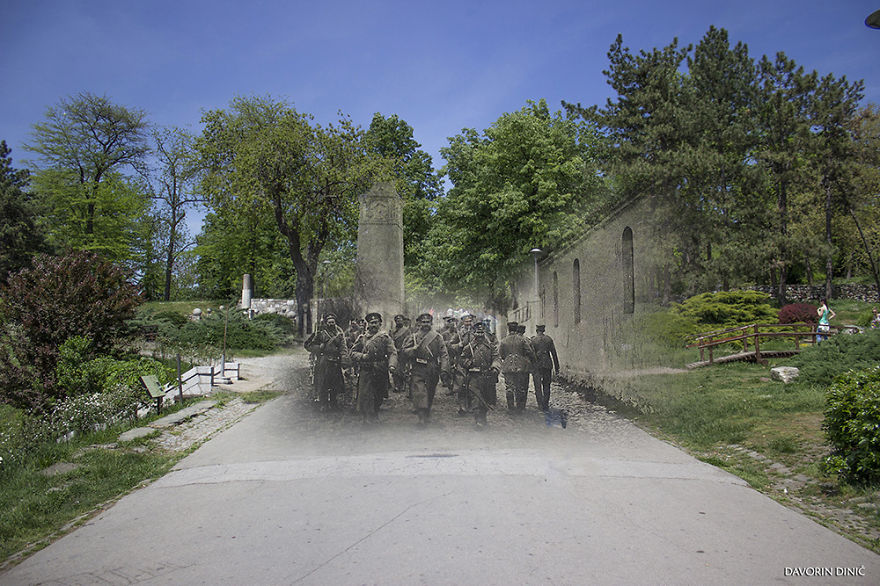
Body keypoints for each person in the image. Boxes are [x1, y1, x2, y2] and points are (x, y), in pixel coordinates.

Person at [401, 313, 450, 425]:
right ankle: (421, 416)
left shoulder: (438, 337)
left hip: (432, 368)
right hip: (418, 368)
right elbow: (404, 351)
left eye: (427, 322)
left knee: (430, 392)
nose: (425, 324)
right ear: (419, 323)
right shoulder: (413, 337)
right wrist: (412, 350)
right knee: (419, 391)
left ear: (431, 323)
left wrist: (444, 369)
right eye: (423, 322)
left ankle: (426, 411)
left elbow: (444, 354)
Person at [349, 312, 398, 422]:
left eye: (376, 323)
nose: (374, 325)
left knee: (378, 394)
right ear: (368, 325)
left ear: (380, 324)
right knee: (366, 395)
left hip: (380, 370)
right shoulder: (362, 338)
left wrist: (392, 365)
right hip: (366, 370)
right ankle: (367, 418)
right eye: (371, 323)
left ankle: (375, 412)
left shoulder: (385, 338)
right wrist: (363, 356)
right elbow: (352, 352)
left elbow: (392, 352)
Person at [459, 321, 501, 427]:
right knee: (476, 398)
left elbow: (496, 358)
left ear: (485, 333)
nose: (480, 335)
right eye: (477, 333)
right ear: (474, 333)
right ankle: (478, 419)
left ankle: (483, 417)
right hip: (474, 377)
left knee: (486, 399)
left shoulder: (491, 347)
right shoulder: (469, 347)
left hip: (487, 376)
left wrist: (495, 367)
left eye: (482, 333)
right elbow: (462, 359)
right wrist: (468, 363)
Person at [303, 313, 347, 412]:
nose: (331, 324)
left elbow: (343, 347)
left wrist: (344, 358)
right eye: (329, 322)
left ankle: (333, 403)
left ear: (335, 323)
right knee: (323, 384)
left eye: (333, 322)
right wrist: (319, 348)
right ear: (326, 323)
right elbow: (307, 345)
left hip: (335, 362)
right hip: (323, 362)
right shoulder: (319, 333)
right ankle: (323, 403)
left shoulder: (339, 333)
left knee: (334, 384)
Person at [499, 321, 536, 413]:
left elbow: (501, 355)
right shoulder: (522, 340)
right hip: (520, 366)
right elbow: (529, 352)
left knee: (509, 387)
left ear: (509, 329)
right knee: (520, 387)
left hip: (508, 366)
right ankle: (520, 408)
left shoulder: (503, 341)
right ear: (516, 329)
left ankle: (511, 408)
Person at [530, 324, 560, 412]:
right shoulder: (549, 339)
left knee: (537, 385)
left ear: (536, 330)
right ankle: (545, 404)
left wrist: (531, 366)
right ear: (544, 330)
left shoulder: (533, 340)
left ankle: (540, 404)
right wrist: (557, 367)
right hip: (547, 364)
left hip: (537, 365)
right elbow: (554, 354)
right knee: (547, 384)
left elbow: (531, 355)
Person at [390, 314, 411, 394]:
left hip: (403, 352)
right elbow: (390, 341)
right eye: (397, 320)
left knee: (402, 369)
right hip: (394, 352)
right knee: (394, 369)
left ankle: (403, 384)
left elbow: (409, 341)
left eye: (400, 319)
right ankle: (397, 385)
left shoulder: (406, 331)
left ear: (403, 321)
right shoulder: (392, 331)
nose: (399, 321)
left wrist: (403, 348)